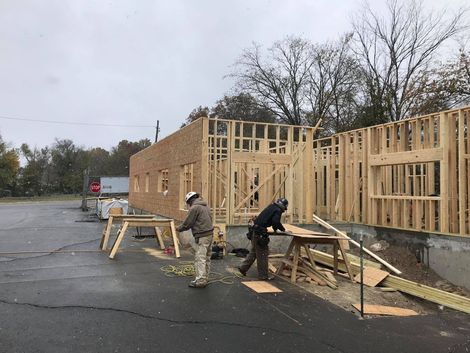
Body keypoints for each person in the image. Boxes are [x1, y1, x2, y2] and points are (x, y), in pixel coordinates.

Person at [238, 198, 289, 280]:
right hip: (260, 233)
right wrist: (283, 229)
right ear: (283, 206)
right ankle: (263, 276)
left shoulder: (272, 206)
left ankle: (243, 268)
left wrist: (275, 228)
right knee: (262, 254)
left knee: (254, 252)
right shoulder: (278, 210)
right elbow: (275, 221)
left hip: (255, 231)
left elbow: (271, 220)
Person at [176, 192, 214, 288]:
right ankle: (205, 277)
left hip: (202, 236)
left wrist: (179, 228)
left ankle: (200, 280)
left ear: (189, 201)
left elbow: (188, 223)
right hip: (210, 234)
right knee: (207, 257)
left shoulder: (194, 208)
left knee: (200, 257)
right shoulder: (206, 206)